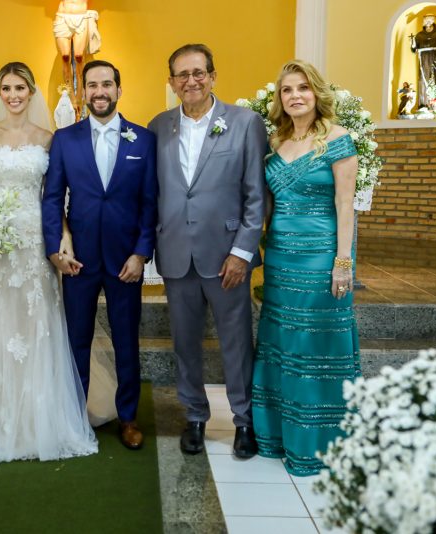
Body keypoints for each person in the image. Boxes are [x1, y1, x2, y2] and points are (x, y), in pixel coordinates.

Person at [0, 62, 97, 466]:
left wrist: (62, 235)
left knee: (31, 325)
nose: (13, 94)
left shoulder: (48, 139)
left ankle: (36, 420)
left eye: (20, 87)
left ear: (31, 92)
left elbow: (54, 194)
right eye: (6, 87)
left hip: (30, 244)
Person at [148, 44, 267, 459]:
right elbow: (156, 191)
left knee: (236, 340)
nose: (191, 81)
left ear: (213, 76)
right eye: (182, 74)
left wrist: (242, 252)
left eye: (199, 72)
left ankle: (244, 421)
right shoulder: (159, 126)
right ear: (171, 82)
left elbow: (256, 195)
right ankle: (195, 416)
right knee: (184, 342)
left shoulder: (245, 122)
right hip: (177, 252)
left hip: (226, 256)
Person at [252, 59, 360, 476]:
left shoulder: (338, 139)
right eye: (287, 90)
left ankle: (319, 444)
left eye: (302, 88)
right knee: (284, 343)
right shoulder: (276, 142)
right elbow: (268, 205)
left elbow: (344, 204)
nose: (295, 96)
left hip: (320, 257)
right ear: (279, 99)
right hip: (281, 258)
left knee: (314, 345)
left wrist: (342, 262)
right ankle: (278, 435)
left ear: (317, 93)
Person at [42, 60, 157, 450]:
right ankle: (75, 416)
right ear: (83, 93)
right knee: (77, 339)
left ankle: (128, 417)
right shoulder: (65, 139)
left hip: (126, 260)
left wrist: (142, 254)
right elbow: (53, 197)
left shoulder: (143, 140)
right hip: (79, 260)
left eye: (107, 84)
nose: (99, 91)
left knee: (126, 340)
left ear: (119, 90)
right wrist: (56, 246)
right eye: (92, 85)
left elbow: (149, 202)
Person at [53, 0, 101, 108]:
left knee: (79, 57)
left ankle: (79, 98)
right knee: (65, 56)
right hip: (62, 17)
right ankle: (70, 98)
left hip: (81, 17)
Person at [411, 14, 436, 108]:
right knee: (422, 79)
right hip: (423, 59)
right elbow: (414, 49)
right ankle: (424, 104)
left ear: (433, 21)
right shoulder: (419, 35)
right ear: (424, 22)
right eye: (426, 20)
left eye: (430, 20)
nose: (428, 22)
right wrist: (412, 44)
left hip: (435, 57)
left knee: (435, 78)